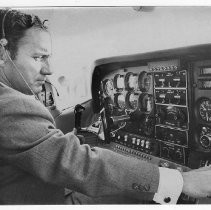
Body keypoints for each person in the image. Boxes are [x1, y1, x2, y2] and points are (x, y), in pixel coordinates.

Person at [0, 8, 211, 205]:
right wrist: (182, 181)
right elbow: (78, 163)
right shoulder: (9, 104)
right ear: (3, 54)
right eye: (38, 57)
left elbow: (45, 146)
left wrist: (74, 136)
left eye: (48, 57)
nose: (49, 69)